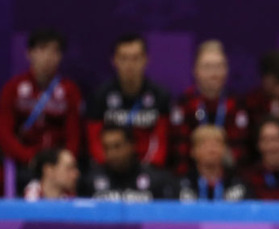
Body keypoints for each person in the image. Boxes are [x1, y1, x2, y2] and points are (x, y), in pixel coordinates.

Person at [0, 29, 81, 192]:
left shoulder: (70, 91)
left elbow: (74, 136)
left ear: (60, 57)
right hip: (23, 161)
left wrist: (62, 163)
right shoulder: (13, 88)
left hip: (58, 164)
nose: (48, 57)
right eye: (42, 49)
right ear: (29, 54)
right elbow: (4, 133)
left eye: (54, 51)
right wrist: (28, 157)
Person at [86, 33, 171, 169]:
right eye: (124, 58)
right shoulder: (100, 96)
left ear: (145, 60)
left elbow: (161, 142)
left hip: (149, 169)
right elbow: (95, 141)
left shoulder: (160, 96)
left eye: (135, 58)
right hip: (109, 169)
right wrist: (108, 169)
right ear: (114, 61)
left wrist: (149, 170)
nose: (129, 65)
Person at [170, 40, 249, 176]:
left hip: (229, 176)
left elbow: (241, 151)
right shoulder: (184, 104)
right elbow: (178, 151)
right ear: (195, 70)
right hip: (190, 177)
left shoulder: (238, 105)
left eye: (219, 66)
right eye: (207, 67)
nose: (214, 73)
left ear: (226, 70)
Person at [79, 126, 175, 201]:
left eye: (117, 146)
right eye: (106, 148)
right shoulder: (90, 181)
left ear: (132, 145)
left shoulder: (156, 180)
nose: (111, 154)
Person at [174, 125, 249, 201]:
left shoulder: (238, 186)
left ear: (225, 150)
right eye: (204, 144)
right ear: (193, 151)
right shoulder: (181, 186)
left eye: (217, 144)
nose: (211, 149)